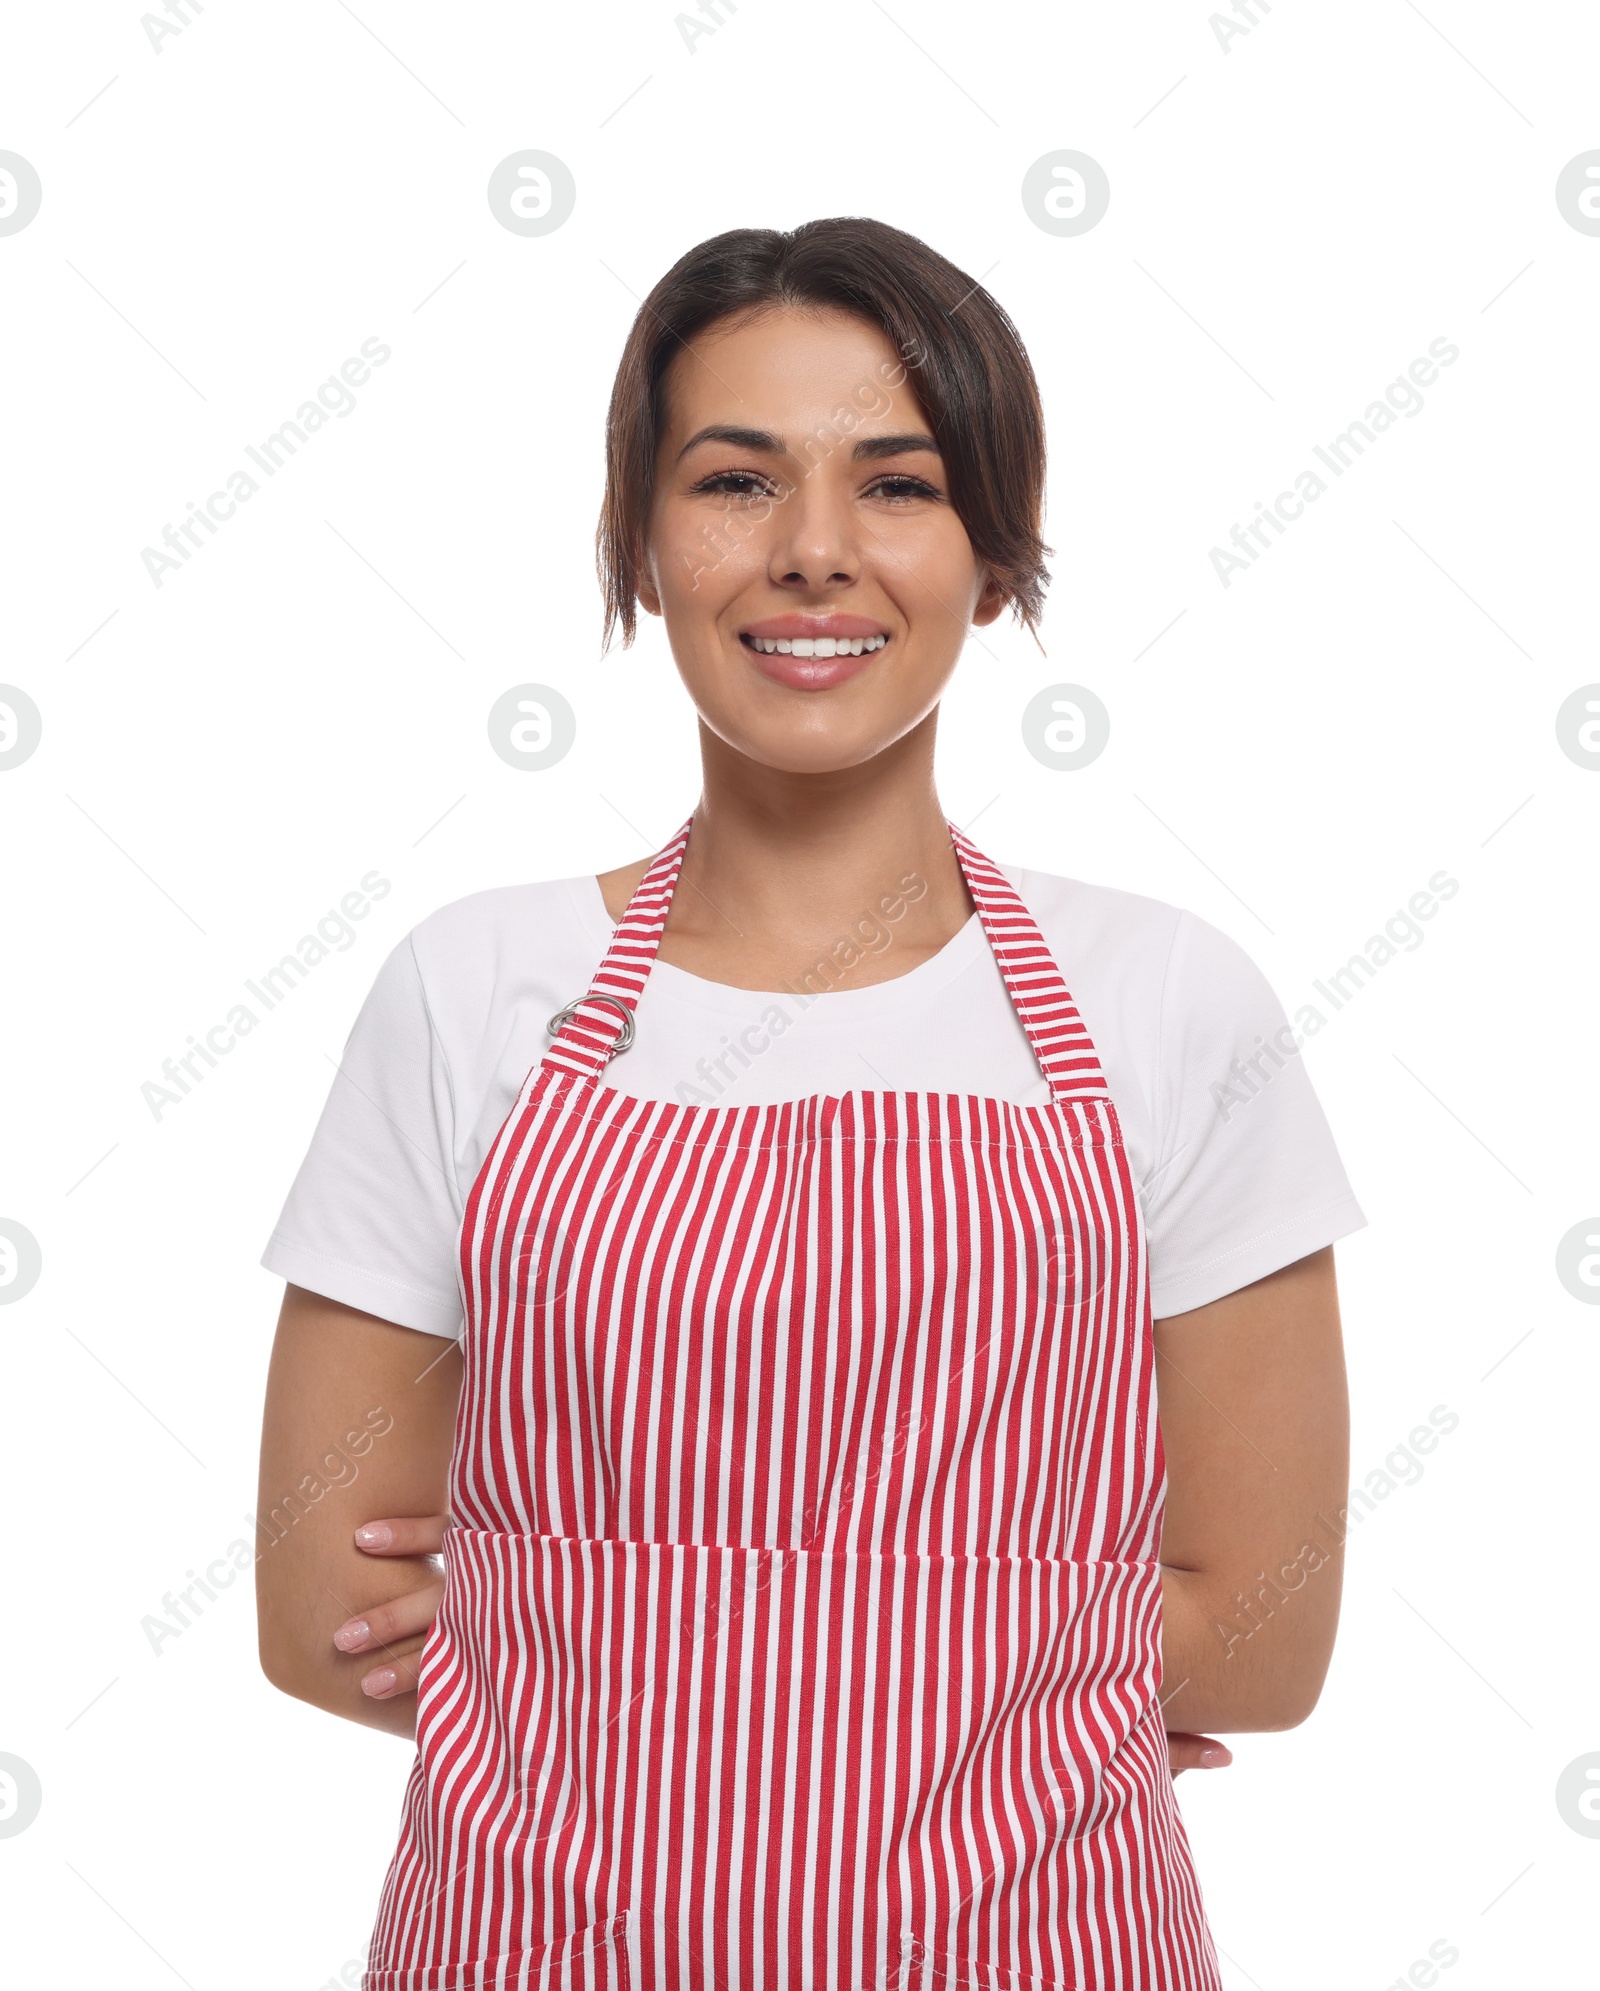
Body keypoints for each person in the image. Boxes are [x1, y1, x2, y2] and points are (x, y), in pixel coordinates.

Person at [256, 217, 1361, 1991]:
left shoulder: (1166, 1001)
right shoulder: (470, 992)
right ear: (639, 543)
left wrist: (608, 1635)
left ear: (993, 558)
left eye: (900, 485)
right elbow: (324, 1616)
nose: (816, 554)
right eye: (735, 481)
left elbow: (1265, 1632)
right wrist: (1004, 1656)